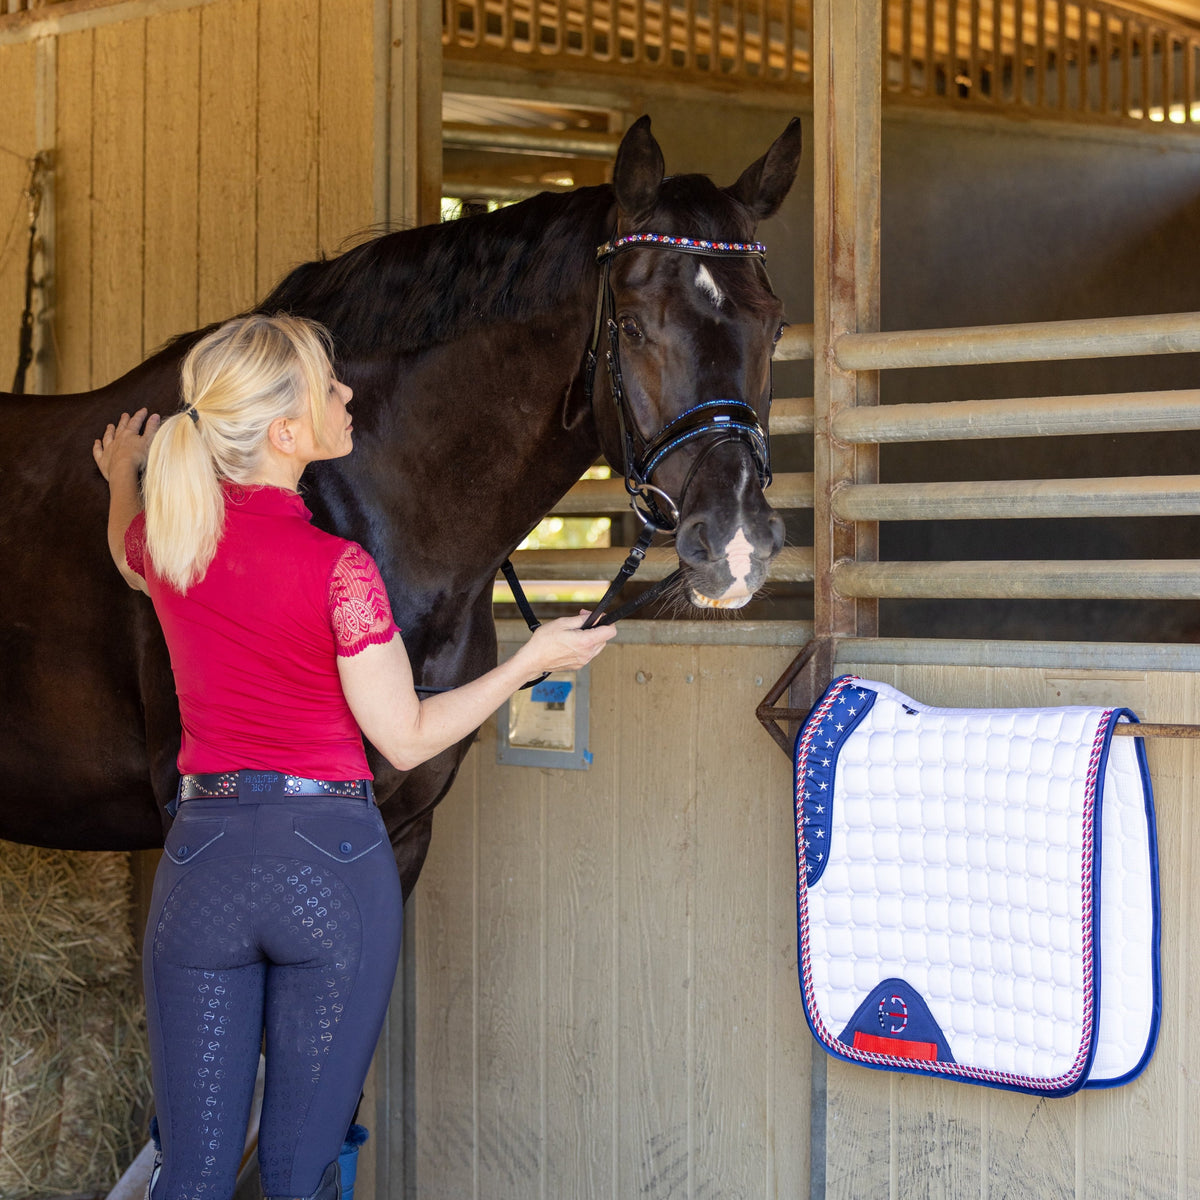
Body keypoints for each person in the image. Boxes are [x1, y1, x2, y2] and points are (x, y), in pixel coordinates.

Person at [92, 313, 615, 1200]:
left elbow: (125, 551)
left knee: (192, 1172)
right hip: (328, 870)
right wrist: (531, 661)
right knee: (300, 1174)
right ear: (286, 435)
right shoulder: (338, 570)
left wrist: (120, 479)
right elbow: (405, 737)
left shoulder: (171, 545)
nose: (347, 393)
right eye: (327, 387)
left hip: (203, 866)